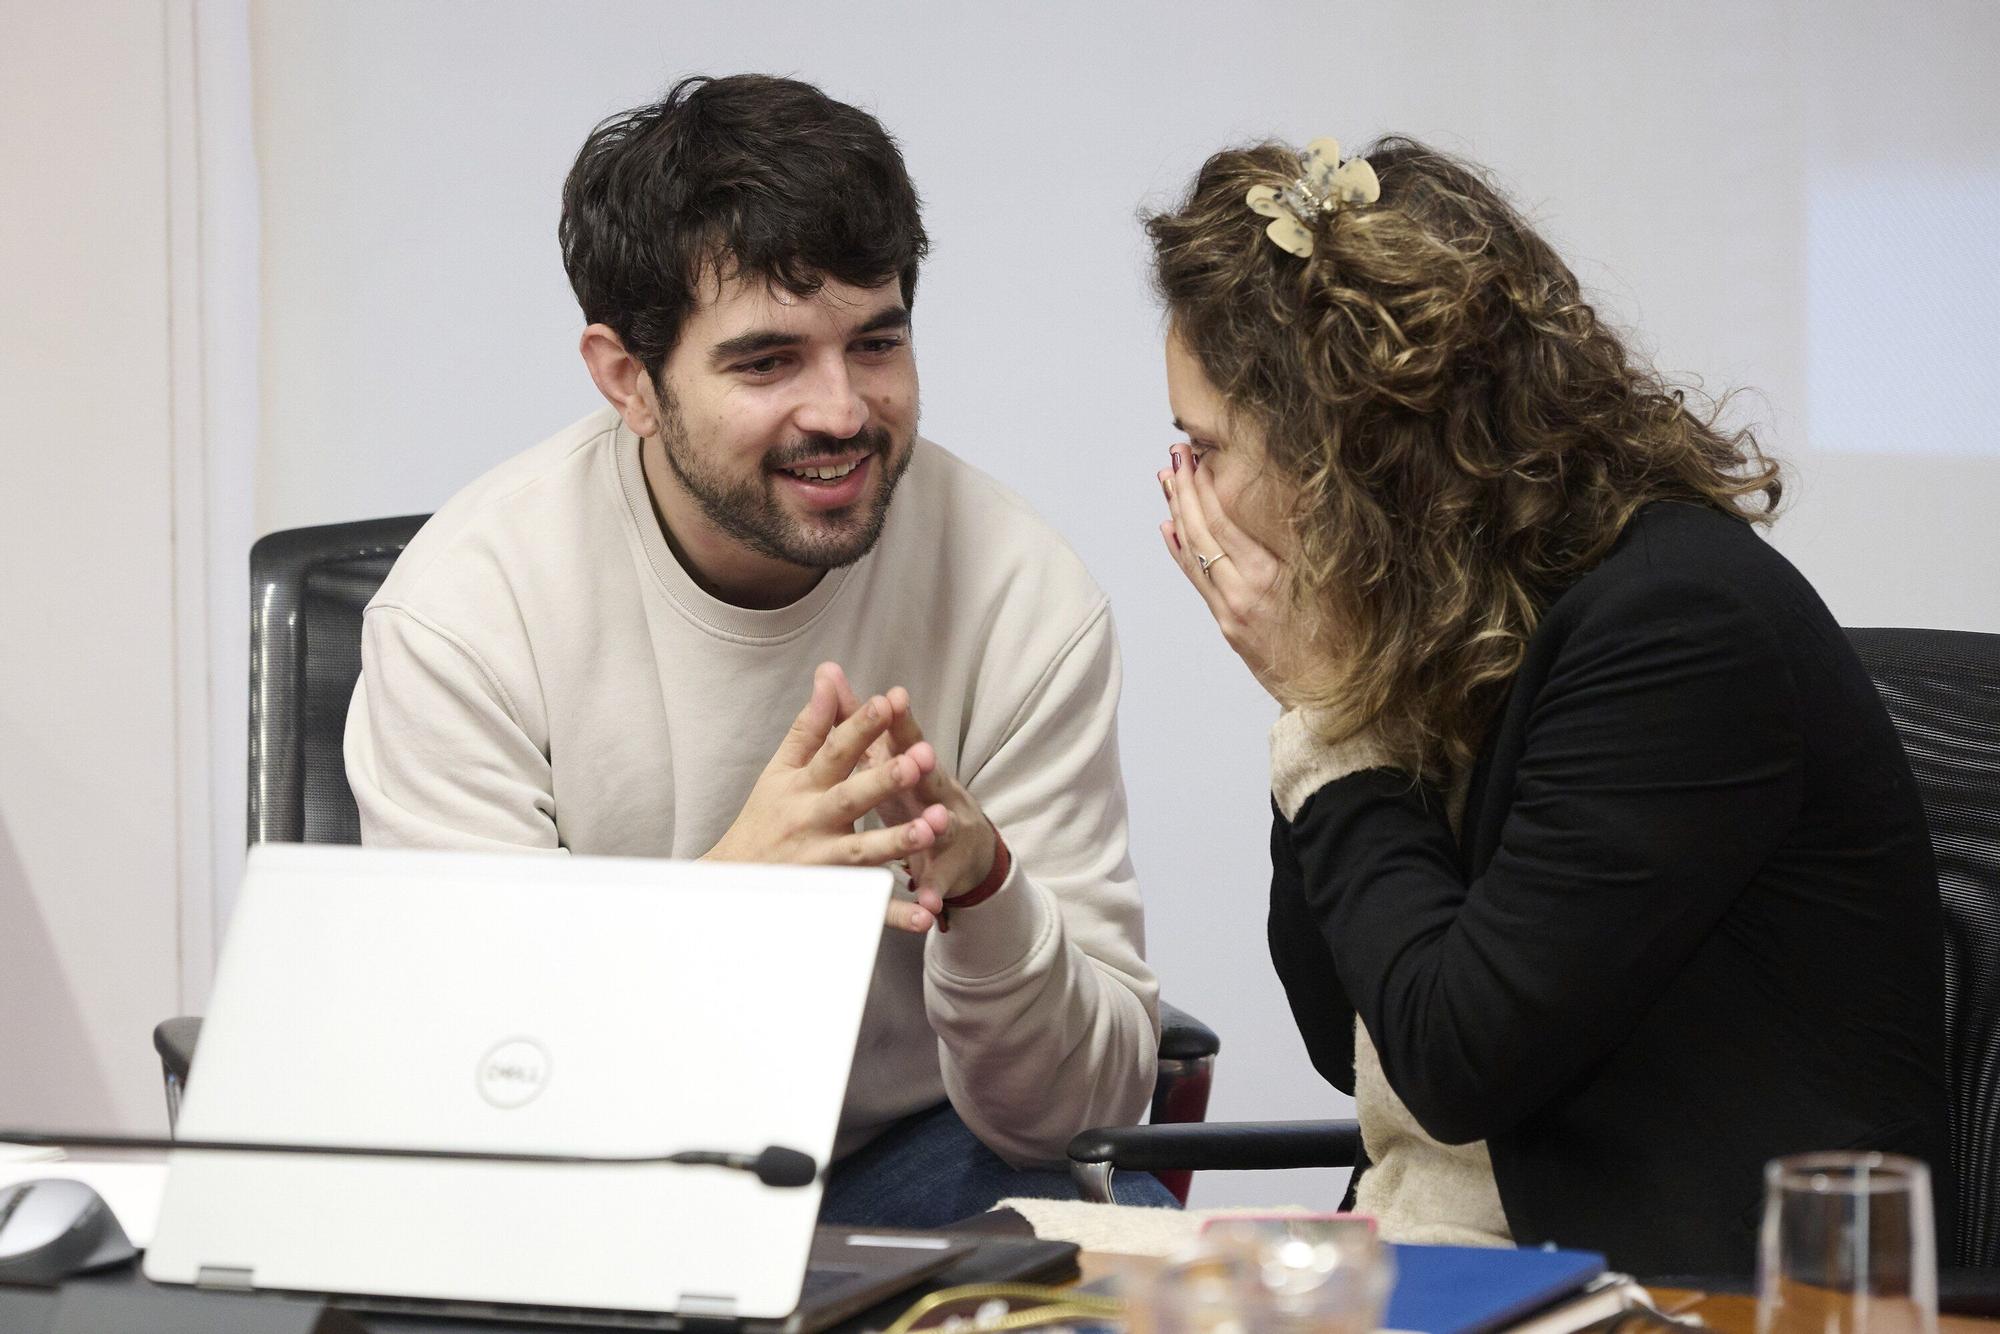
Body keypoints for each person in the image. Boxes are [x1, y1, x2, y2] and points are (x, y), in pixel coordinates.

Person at [343, 73, 1173, 1225]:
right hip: (593, 1175)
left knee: (1112, 1232)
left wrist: (988, 891)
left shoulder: (1020, 594)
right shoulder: (465, 614)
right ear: (627, 378)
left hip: (898, 1156)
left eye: (874, 342)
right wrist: (735, 901)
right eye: (767, 360)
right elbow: (489, 1086)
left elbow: (1078, 1115)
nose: (840, 410)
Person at [1146, 134, 1953, 1274]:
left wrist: (1324, 709)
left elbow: (1456, 1057)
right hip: (1431, 1255)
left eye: (1205, 445)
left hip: (1673, 1282)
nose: (1184, 490)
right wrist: (1338, 696)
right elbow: (1348, 1034)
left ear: (1340, 447)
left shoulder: (1678, 625)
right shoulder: (1442, 620)